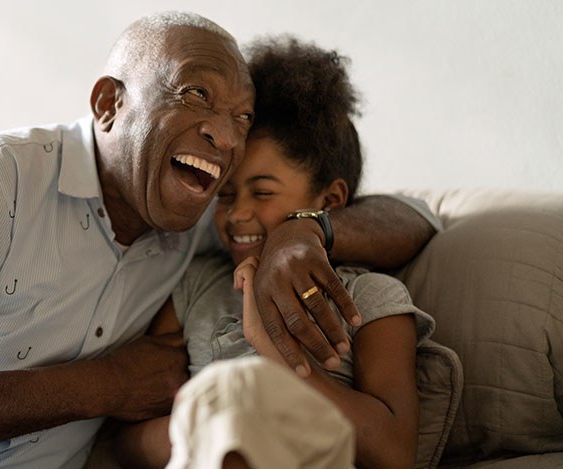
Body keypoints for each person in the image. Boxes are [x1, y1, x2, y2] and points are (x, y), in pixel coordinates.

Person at [0, 13, 437, 469]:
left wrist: (298, 234)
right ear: (108, 103)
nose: (223, 136)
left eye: (239, 116)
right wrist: (102, 383)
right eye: (195, 97)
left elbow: (418, 217)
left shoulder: (205, 222)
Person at [116, 35, 437, 468]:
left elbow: (394, 453)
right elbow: (127, 438)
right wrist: (217, 431)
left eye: (263, 192)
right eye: (225, 195)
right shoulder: (195, 287)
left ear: (331, 201)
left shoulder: (371, 299)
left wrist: (277, 352)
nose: (237, 215)